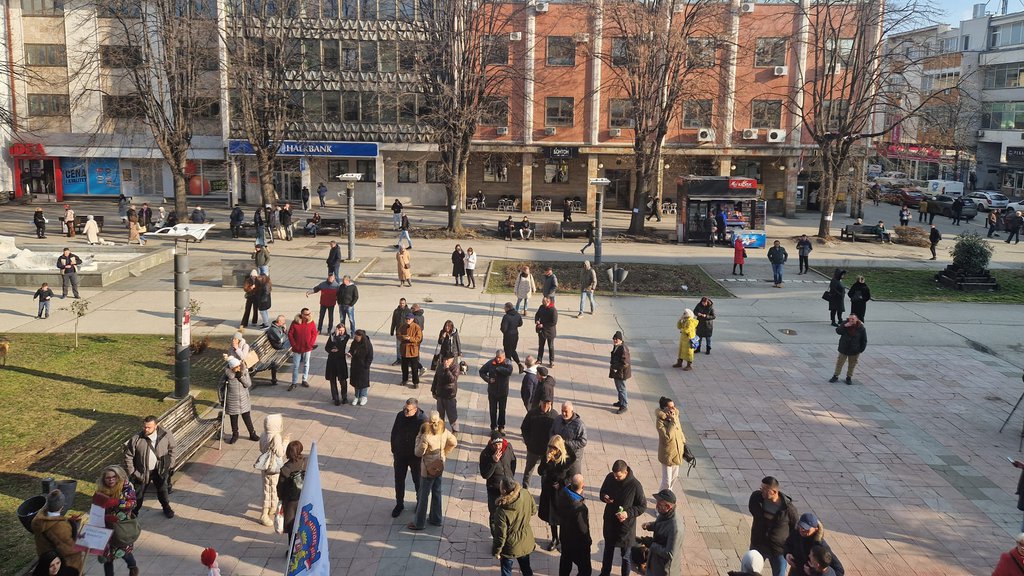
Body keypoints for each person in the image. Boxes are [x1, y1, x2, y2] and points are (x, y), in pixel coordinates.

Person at [408, 411, 458, 530]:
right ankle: (436, 519)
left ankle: (419, 523)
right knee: (437, 491)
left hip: (427, 469)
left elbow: (418, 452)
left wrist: (418, 438)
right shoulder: (444, 431)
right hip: (440, 465)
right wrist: (445, 453)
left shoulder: (426, 435)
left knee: (423, 495)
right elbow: (454, 442)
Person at [598, 460, 646, 576]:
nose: (615, 477)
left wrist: (627, 513)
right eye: (614, 475)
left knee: (625, 556)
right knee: (608, 551)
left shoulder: (635, 485)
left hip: (626, 528)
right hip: (610, 523)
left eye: (618, 476)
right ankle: (605, 573)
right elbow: (602, 492)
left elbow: (642, 506)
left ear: (625, 472)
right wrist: (604, 497)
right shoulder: (610, 477)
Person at [124, 415, 176, 518]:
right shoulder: (136, 439)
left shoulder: (166, 434)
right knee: (139, 495)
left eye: (149, 427)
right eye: (144, 427)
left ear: (156, 426)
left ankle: (166, 507)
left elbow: (172, 449)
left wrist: (170, 465)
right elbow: (128, 456)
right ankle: (134, 514)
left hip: (160, 470)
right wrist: (133, 472)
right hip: (142, 472)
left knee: (163, 490)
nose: (146, 429)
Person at [748, 476, 799, 576]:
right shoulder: (756, 498)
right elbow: (753, 510)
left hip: (778, 550)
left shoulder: (788, 509)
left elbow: (794, 528)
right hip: (758, 543)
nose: (761, 491)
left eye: (764, 490)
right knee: (750, 572)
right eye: (761, 488)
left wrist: (791, 549)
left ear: (774, 492)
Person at [94, 465, 139, 576]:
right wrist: (103, 518)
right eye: (108, 478)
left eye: (114, 477)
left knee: (124, 552)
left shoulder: (126, 487)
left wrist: (117, 502)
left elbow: (133, 503)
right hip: (106, 528)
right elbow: (96, 508)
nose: (111, 480)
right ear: (103, 479)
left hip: (121, 527)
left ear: (119, 476)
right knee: (107, 557)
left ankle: (133, 567)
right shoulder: (101, 490)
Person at [539, 435, 579, 551]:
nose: (551, 449)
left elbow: (571, 476)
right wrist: (546, 462)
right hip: (549, 490)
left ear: (559, 448)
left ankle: (562, 539)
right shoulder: (547, 455)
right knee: (551, 517)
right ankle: (554, 538)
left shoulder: (568, 459)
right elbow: (540, 471)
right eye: (550, 446)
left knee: (562, 517)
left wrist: (561, 484)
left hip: (561, 492)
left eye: (554, 447)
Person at [31, 489, 84, 574]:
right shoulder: (59, 527)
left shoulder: (39, 519)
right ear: (62, 507)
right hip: (61, 566)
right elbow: (69, 549)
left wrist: (69, 522)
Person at [491, 478, 537, 576]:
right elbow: (533, 511)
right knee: (526, 568)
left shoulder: (502, 510)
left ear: (503, 491)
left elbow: (500, 535)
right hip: (525, 539)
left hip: (510, 546)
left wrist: (497, 551)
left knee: (506, 571)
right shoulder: (525, 493)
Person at [391, 398, 427, 517]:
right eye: (404, 409)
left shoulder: (422, 420)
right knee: (399, 480)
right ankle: (399, 504)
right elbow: (394, 432)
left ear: (415, 409)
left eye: (408, 410)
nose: (405, 412)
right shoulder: (400, 416)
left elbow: (425, 439)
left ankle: (419, 504)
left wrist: (420, 453)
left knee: (418, 481)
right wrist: (394, 449)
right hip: (400, 454)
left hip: (415, 457)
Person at [639, 489, 684, 576]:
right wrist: (650, 525)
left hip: (663, 570)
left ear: (667, 507)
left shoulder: (675, 528)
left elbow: (670, 554)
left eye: (659, 504)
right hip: (655, 562)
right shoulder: (664, 513)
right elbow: (661, 524)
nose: (656, 506)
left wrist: (651, 544)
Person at [557, 473, 592, 576]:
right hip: (577, 543)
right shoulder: (580, 508)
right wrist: (588, 541)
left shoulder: (563, 493)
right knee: (585, 569)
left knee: (565, 562)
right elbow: (583, 529)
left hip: (564, 536)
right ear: (583, 486)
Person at [257, 413, 286, 527]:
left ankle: (272, 507)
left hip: (265, 466)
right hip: (274, 467)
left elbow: (261, 449)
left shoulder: (263, 435)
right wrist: (285, 442)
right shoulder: (276, 437)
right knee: (271, 489)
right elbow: (280, 453)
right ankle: (264, 515)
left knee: (267, 487)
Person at [521, 398, 556, 489]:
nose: (545, 406)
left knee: (545, 473)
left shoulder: (554, 416)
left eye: (547, 403)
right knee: (528, 470)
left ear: (550, 404)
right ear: (540, 402)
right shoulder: (532, 413)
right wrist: (528, 442)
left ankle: (543, 492)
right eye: (543, 403)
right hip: (533, 449)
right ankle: (525, 489)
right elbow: (524, 428)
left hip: (547, 451)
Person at [223, 356, 259, 444]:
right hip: (232, 400)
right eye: (236, 367)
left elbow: (248, 384)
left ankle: (252, 433)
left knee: (247, 417)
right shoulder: (227, 375)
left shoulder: (244, 372)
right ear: (231, 368)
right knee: (233, 418)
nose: (238, 368)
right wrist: (222, 399)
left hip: (243, 399)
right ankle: (235, 435)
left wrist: (241, 377)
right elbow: (220, 387)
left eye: (239, 366)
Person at [481, 431, 518, 515]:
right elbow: (485, 475)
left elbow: (513, 461)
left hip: (508, 488)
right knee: (494, 513)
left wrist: (511, 476)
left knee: (509, 512)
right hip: (494, 489)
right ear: (491, 444)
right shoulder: (485, 454)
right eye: (495, 445)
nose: (498, 447)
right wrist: (493, 462)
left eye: (499, 444)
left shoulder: (508, 447)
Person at [276, 440, 307, 540]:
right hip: (304, 498)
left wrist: (281, 498)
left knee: (292, 527)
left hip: (291, 501)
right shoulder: (306, 463)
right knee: (304, 524)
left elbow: (280, 487)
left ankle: (292, 550)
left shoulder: (285, 469)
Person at [655, 396, 686, 490]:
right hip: (667, 454)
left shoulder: (675, 416)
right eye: (671, 407)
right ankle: (662, 498)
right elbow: (667, 438)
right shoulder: (660, 421)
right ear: (665, 409)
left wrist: (683, 443)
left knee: (674, 478)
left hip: (677, 452)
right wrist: (673, 422)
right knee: (667, 480)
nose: (673, 409)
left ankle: (668, 496)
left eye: (674, 406)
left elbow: (680, 432)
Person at [481, 349, 515, 433]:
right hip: (492, 391)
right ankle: (493, 427)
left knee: (502, 410)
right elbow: (482, 372)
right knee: (493, 410)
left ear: (504, 357)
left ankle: (501, 426)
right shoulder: (490, 363)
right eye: (496, 357)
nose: (498, 359)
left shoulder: (507, 363)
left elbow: (509, 372)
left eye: (499, 358)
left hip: (503, 392)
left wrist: (499, 368)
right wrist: (488, 379)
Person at [828, 314, 867, 385]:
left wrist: (861, 349)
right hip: (844, 348)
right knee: (839, 363)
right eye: (850, 319)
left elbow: (864, 340)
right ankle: (836, 375)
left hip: (854, 350)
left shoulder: (861, 328)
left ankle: (849, 377)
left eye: (853, 319)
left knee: (852, 364)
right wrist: (844, 326)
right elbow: (838, 331)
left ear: (857, 320)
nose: (851, 320)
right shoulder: (845, 324)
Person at [287, 308, 317, 391]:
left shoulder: (311, 322)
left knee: (306, 364)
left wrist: (310, 344)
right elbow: (290, 334)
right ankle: (294, 382)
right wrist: (294, 344)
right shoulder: (295, 322)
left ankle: (304, 380)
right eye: (307, 314)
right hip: (297, 348)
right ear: (302, 315)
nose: (309, 315)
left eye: (309, 314)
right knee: (296, 366)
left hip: (307, 347)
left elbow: (314, 334)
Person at [432, 356, 461, 432]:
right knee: (440, 414)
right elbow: (436, 378)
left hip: (449, 394)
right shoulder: (440, 366)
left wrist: (447, 369)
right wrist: (433, 390)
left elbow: (452, 379)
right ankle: (440, 429)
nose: (446, 361)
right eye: (445, 359)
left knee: (452, 415)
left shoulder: (456, 367)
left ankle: (455, 430)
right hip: (440, 394)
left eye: (448, 359)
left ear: (452, 359)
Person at [325, 324, 350, 405]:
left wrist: (337, 336)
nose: (342, 332)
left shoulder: (346, 336)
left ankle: (344, 397)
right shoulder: (332, 336)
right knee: (332, 380)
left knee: (343, 380)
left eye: (343, 330)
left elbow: (341, 346)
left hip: (341, 361)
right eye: (340, 330)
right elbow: (327, 347)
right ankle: (335, 398)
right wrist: (331, 350)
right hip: (332, 361)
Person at [349, 329, 373, 405]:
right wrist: (350, 353)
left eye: (357, 337)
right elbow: (351, 350)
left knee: (363, 383)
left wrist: (366, 365)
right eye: (355, 337)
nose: (356, 338)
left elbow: (370, 356)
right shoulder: (354, 343)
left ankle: (363, 396)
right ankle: (357, 396)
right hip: (355, 366)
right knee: (356, 382)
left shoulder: (367, 345)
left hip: (363, 367)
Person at [398, 313, 423, 387]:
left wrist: (410, 338)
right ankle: (404, 380)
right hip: (404, 350)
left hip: (413, 351)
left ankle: (415, 382)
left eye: (409, 319)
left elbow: (419, 338)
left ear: (412, 319)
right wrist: (403, 337)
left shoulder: (416, 327)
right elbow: (398, 335)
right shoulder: (402, 326)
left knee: (414, 368)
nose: (407, 320)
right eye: (406, 319)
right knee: (404, 367)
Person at [609, 331, 631, 414]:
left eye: (616, 339)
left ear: (621, 340)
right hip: (617, 372)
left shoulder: (623, 349)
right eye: (614, 339)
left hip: (621, 373)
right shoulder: (617, 346)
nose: (615, 340)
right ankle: (620, 401)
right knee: (619, 388)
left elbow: (625, 363)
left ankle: (624, 405)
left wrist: (616, 368)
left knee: (622, 388)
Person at [535, 295, 558, 367]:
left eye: (543, 302)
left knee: (550, 346)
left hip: (550, 331)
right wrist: (537, 321)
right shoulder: (541, 307)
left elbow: (553, 322)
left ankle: (551, 361)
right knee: (541, 346)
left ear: (548, 302)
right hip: (542, 331)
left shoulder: (553, 310)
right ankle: (539, 359)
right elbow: (537, 315)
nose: (542, 303)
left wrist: (543, 325)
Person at [501, 302, 524, 373]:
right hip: (515, 335)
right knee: (513, 350)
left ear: (507, 308)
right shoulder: (517, 314)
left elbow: (504, 329)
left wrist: (502, 329)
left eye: (504, 308)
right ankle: (519, 364)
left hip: (508, 336)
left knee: (508, 352)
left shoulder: (506, 317)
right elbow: (520, 324)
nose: (504, 309)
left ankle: (509, 369)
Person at [266, 315, 289, 386]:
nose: (285, 323)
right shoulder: (273, 330)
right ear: (279, 322)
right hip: (279, 347)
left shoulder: (278, 327)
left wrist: (284, 332)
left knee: (295, 339)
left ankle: (306, 347)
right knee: (294, 340)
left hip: (281, 344)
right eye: (283, 322)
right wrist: (285, 333)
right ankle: (306, 348)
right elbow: (281, 340)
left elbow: (283, 337)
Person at [389, 298, 410, 365]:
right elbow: (393, 321)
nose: (402, 304)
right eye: (400, 303)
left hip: (406, 332)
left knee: (407, 346)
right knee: (398, 346)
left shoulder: (408, 311)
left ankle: (407, 360)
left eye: (403, 303)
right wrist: (392, 330)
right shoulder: (396, 311)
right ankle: (399, 359)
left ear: (405, 303)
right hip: (399, 332)